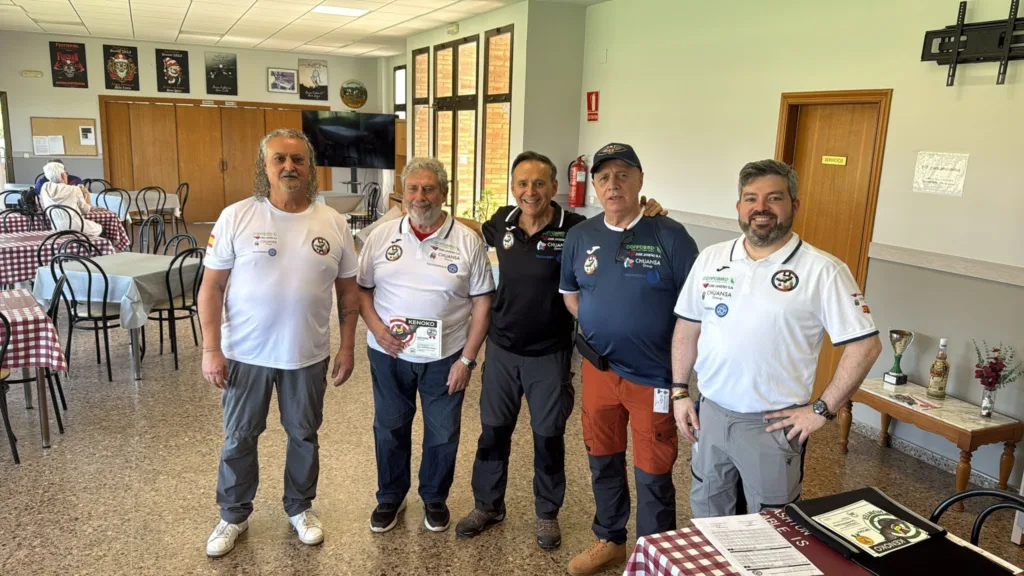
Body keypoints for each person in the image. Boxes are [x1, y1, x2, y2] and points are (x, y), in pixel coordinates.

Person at [454, 151, 666, 551]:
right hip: (502, 350)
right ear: (513, 188)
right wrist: (439, 220)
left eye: (539, 183)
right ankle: (487, 505)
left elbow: (617, 233)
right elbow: (474, 229)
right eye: (522, 183)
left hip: (549, 354)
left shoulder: (577, 229)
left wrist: (649, 214)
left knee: (548, 436)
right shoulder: (503, 220)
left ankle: (547, 513)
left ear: (555, 187)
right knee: (493, 433)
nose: (530, 191)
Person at [671, 159, 882, 518]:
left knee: (773, 527)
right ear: (739, 206)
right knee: (708, 512)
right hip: (712, 415)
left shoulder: (823, 270)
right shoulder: (711, 259)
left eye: (774, 198)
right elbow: (688, 328)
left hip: (772, 425)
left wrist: (822, 410)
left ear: (794, 205)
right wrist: (679, 391)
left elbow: (866, 345)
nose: (761, 207)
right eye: (751, 198)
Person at [198, 128, 361, 557]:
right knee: (239, 437)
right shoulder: (237, 216)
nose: (289, 166)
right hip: (245, 353)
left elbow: (348, 292)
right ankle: (233, 515)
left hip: (306, 353)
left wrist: (347, 347)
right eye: (279, 159)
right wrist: (211, 349)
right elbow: (211, 287)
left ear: (310, 167)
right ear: (265, 167)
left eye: (298, 159)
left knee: (304, 435)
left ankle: (300, 508)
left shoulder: (333, 222)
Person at [559, 143, 698, 576]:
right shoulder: (581, 236)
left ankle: (653, 555)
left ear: (640, 180)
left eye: (623, 174)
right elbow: (571, 296)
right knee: (602, 458)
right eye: (604, 177)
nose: (613, 184)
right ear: (594, 186)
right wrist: (607, 328)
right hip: (599, 371)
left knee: (653, 470)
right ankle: (610, 539)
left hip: (654, 377)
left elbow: (694, 312)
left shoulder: (670, 235)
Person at [357, 157, 495, 534]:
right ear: (403, 194)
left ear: (444, 194)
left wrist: (467, 360)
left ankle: (434, 496)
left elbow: (483, 303)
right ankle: (390, 496)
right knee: (389, 427)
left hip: (446, 357)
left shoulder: (467, 241)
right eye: (413, 189)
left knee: (443, 431)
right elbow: (362, 291)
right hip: (388, 354)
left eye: (429, 189)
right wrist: (376, 329)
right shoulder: (381, 237)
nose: (420, 197)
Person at [38, 161, 102, 236]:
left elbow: (43, 207)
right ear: (62, 175)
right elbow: (85, 210)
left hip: (56, 228)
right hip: (77, 227)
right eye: (66, 173)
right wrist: (87, 194)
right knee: (99, 228)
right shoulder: (74, 189)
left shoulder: (44, 187)